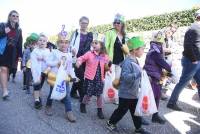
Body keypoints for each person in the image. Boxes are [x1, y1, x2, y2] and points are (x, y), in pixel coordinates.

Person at [106, 37, 150, 134]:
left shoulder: (135, 60)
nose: (143, 51)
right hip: (126, 93)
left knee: (136, 112)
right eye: (142, 49)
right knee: (121, 110)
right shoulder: (128, 62)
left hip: (133, 92)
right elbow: (125, 77)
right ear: (135, 50)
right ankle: (110, 123)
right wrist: (138, 74)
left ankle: (138, 128)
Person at [167, 9, 200, 111]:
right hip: (192, 62)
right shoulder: (193, 28)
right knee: (183, 82)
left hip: (196, 62)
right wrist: (194, 60)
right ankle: (171, 103)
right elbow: (187, 45)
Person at [45, 30, 77, 123]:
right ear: (58, 43)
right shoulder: (54, 52)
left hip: (64, 78)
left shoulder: (69, 55)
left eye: (66, 42)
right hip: (54, 77)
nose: (63, 44)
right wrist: (56, 62)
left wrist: (73, 76)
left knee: (66, 94)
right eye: (61, 42)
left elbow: (70, 67)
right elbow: (48, 62)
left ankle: (69, 111)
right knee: (52, 92)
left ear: (68, 44)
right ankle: (48, 105)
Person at [76, 33, 110, 119]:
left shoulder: (104, 56)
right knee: (88, 94)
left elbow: (108, 64)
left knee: (99, 95)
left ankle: (99, 110)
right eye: (93, 43)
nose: (93, 44)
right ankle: (83, 104)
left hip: (99, 79)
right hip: (90, 78)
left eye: (96, 43)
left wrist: (109, 69)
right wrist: (78, 62)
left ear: (101, 45)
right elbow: (81, 58)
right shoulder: (89, 54)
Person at [144, 31, 171, 124]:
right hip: (153, 77)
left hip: (153, 76)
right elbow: (165, 65)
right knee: (150, 97)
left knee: (155, 96)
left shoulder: (152, 50)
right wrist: (170, 69)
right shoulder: (156, 52)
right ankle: (140, 117)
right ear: (161, 43)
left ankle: (154, 116)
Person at [0, 10, 23, 100]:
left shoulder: (19, 30)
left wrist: (20, 55)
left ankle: (4, 89)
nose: (15, 17)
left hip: (11, 53)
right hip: (1, 50)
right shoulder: (2, 25)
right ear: (9, 17)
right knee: (3, 69)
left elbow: (19, 44)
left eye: (17, 16)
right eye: (13, 16)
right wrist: (3, 32)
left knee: (5, 70)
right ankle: (5, 91)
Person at [70, 16, 93, 101]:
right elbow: (71, 43)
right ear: (79, 23)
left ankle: (72, 92)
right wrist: (72, 50)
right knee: (81, 76)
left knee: (79, 76)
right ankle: (82, 97)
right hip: (77, 58)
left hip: (86, 59)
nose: (84, 25)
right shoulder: (76, 33)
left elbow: (91, 47)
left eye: (86, 23)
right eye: (83, 23)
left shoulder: (90, 35)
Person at [105, 13, 128, 92]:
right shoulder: (109, 32)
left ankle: (115, 95)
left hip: (121, 60)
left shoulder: (124, 34)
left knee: (118, 79)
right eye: (114, 22)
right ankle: (109, 94)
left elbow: (127, 47)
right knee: (110, 78)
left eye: (118, 22)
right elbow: (105, 46)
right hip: (111, 60)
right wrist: (106, 59)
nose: (116, 24)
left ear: (122, 24)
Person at [30, 33, 50, 109]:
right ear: (37, 42)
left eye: (44, 41)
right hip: (36, 71)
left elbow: (49, 61)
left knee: (40, 85)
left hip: (44, 71)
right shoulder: (35, 51)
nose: (42, 42)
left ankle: (37, 94)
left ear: (46, 43)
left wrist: (44, 59)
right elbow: (33, 61)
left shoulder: (48, 51)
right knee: (37, 84)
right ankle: (37, 100)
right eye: (40, 40)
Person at [161, 24, 178, 100]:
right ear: (168, 29)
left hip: (169, 59)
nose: (172, 33)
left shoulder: (172, 37)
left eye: (174, 31)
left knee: (171, 77)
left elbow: (173, 48)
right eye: (171, 31)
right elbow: (159, 48)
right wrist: (171, 50)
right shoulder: (161, 36)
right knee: (162, 76)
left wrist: (173, 59)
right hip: (162, 59)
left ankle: (163, 91)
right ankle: (161, 93)